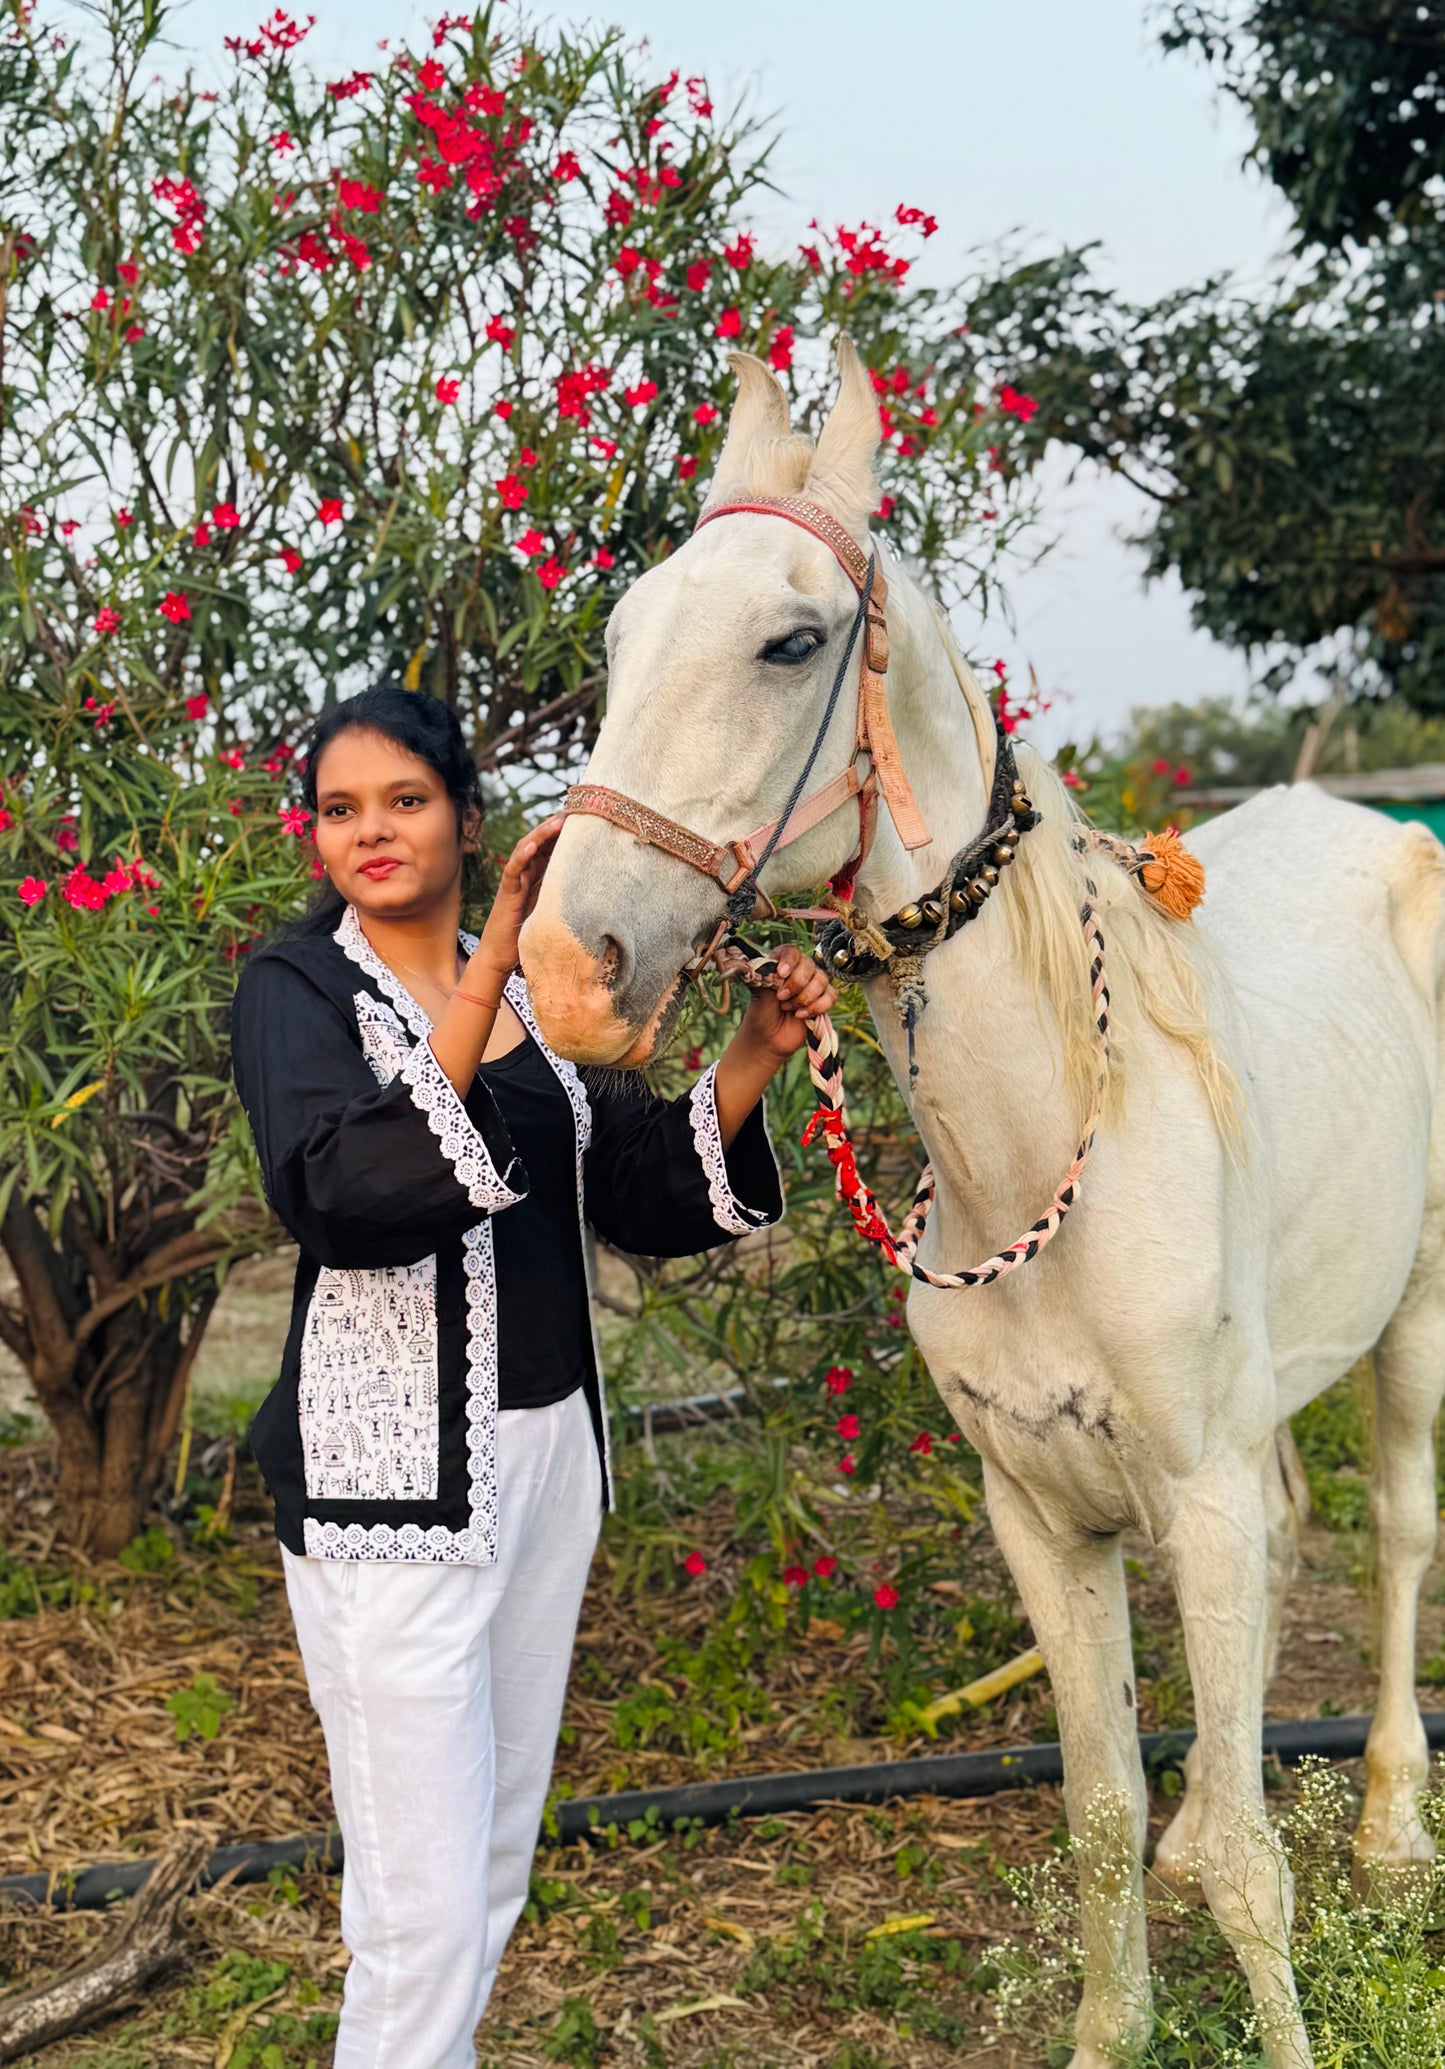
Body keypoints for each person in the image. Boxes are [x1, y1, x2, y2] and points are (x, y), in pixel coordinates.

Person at [229, 685, 836, 2069]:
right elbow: (347, 1194)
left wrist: (748, 1052)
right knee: (422, 1910)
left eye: (404, 799)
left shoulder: (531, 1004)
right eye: (340, 807)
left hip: (546, 1459)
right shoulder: (300, 988)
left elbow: (622, 1179)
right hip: (391, 1491)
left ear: (463, 813)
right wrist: (491, 951)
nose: (370, 830)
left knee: (490, 1871)